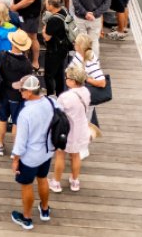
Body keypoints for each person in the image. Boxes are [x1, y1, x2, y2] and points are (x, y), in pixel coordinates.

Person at [10, 74, 56, 229]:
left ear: (29, 92)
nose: (20, 92)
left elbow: (21, 142)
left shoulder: (25, 114)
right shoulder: (50, 102)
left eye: (21, 90)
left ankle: (27, 218)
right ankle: (44, 210)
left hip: (30, 157)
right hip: (47, 151)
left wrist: (16, 160)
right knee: (43, 179)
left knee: (27, 185)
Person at [49, 63, 91, 193]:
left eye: (67, 77)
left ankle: (56, 182)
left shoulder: (65, 97)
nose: (65, 79)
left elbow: (57, 112)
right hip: (81, 129)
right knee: (76, 155)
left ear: (73, 80)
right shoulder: (86, 92)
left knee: (60, 155)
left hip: (66, 131)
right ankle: (74, 181)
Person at [0, 30, 34, 157]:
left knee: (2, 119)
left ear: (13, 43)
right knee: (17, 123)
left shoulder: (2, 56)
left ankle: (0, 145)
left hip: (3, 94)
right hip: (18, 97)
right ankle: (15, 151)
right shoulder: (27, 64)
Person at [42, 0, 71, 97]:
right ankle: (60, 94)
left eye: (46, 3)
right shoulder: (64, 11)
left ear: (51, 5)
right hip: (63, 48)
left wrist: (44, 29)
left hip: (54, 50)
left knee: (49, 75)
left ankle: (50, 95)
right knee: (59, 74)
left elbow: (47, 37)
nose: (45, 4)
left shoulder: (53, 20)